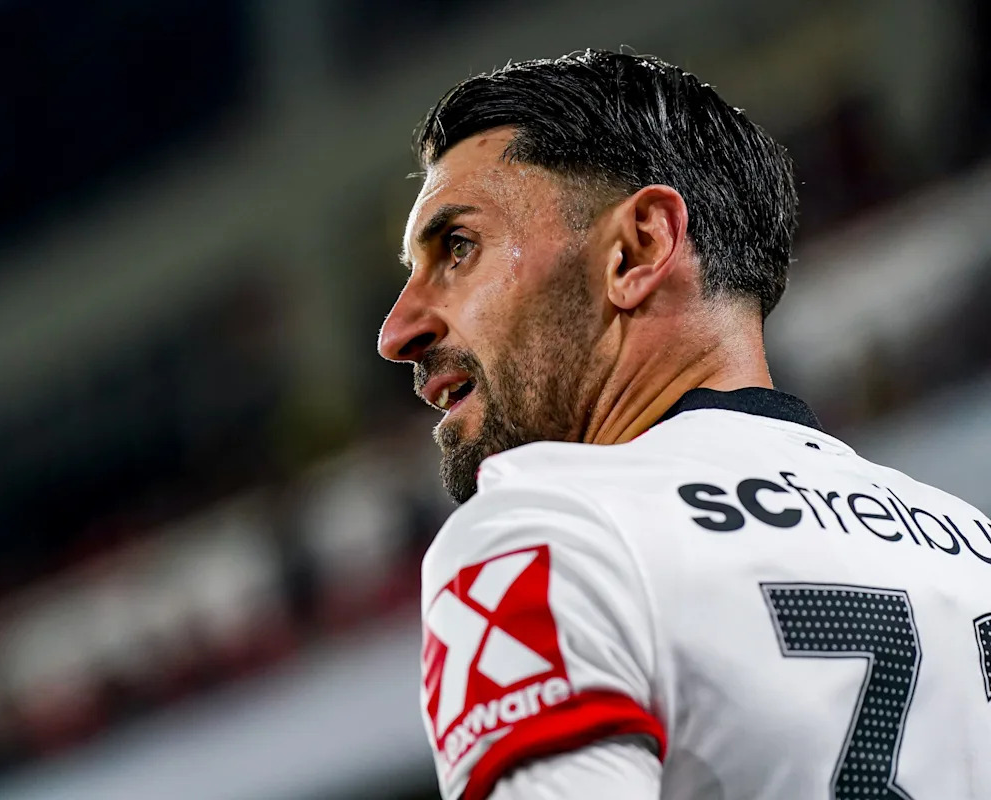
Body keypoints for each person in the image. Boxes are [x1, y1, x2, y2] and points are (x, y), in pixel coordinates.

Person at [377, 49, 991, 800]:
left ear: (637, 248)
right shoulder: (971, 545)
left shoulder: (550, 530)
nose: (397, 330)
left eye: (458, 248)